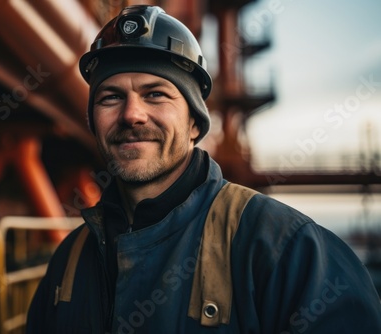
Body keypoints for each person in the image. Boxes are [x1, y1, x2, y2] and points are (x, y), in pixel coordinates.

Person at [26, 5, 381, 333]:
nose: (132, 114)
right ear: (93, 121)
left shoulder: (287, 250)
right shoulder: (69, 262)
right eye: (111, 97)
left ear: (195, 123)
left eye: (156, 94)